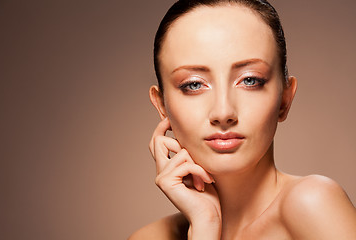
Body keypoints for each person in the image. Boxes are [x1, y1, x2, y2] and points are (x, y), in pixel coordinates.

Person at [129, 0, 356, 239]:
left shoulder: (313, 203)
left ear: (284, 99)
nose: (223, 112)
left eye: (250, 80)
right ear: (161, 104)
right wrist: (205, 223)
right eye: (194, 84)